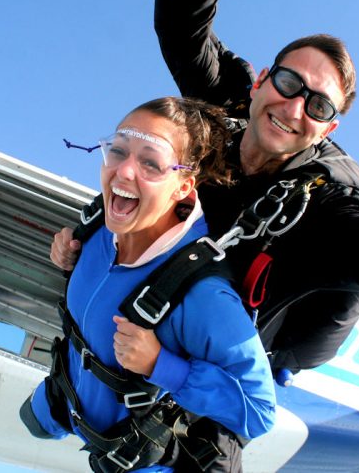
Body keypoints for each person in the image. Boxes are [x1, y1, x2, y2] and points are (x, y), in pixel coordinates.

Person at [52, 0, 359, 374]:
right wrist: (89, 234)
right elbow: (182, 28)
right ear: (260, 81)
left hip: (226, 363)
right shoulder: (230, 101)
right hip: (136, 326)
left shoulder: (326, 199)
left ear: (328, 129)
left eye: (318, 105)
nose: (294, 107)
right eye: (287, 83)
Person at [21, 97, 276, 472]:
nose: (124, 171)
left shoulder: (203, 297)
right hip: (71, 395)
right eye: (118, 151)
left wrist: (163, 365)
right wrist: (67, 258)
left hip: (138, 450)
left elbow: (259, 411)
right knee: (31, 423)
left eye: (151, 163)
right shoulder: (98, 223)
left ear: (183, 187)